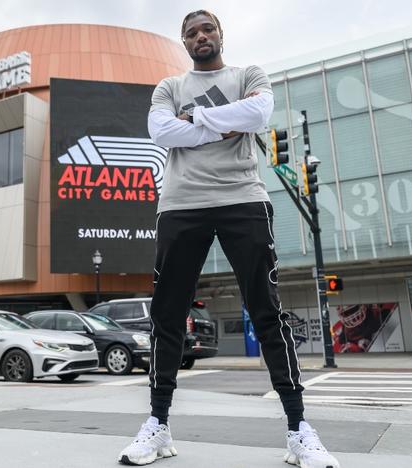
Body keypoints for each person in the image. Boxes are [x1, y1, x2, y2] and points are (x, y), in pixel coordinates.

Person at [118, 10, 340, 468]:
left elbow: (258, 113)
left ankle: (299, 430)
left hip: (243, 198)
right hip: (181, 204)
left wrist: (195, 120)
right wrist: (225, 122)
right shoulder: (168, 87)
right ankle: (157, 425)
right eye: (191, 32)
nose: (201, 36)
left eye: (208, 29)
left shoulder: (248, 75)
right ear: (183, 41)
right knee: (167, 311)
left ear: (220, 34)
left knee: (265, 307)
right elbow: (161, 131)